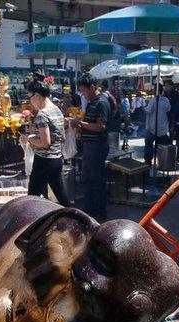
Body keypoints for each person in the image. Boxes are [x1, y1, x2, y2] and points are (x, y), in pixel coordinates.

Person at [21, 80, 69, 206]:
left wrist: (28, 139)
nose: (30, 101)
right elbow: (62, 137)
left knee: (33, 198)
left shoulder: (43, 114)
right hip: (56, 158)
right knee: (60, 197)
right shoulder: (57, 110)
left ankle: (77, 220)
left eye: (30, 97)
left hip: (44, 160)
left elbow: (45, 142)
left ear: (37, 96)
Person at [70, 73, 109, 221]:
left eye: (84, 91)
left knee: (96, 180)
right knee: (89, 179)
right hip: (90, 146)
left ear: (92, 88)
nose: (83, 94)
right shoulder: (92, 102)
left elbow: (101, 126)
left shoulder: (101, 102)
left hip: (97, 146)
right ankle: (90, 210)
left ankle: (98, 212)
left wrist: (80, 124)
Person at [143, 84, 171, 165]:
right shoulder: (166, 100)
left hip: (152, 128)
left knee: (148, 146)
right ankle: (162, 162)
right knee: (161, 148)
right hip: (162, 128)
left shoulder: (153, 101)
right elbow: (169, 109)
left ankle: (148, 162)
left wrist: (143, 108)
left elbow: (148, 111)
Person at [102, 82, 122, 158]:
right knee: (115, 151)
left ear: (102, 87)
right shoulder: (110, 95)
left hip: (111, 125)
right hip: (116, 124)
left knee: (111, 153)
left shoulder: (104, 96)